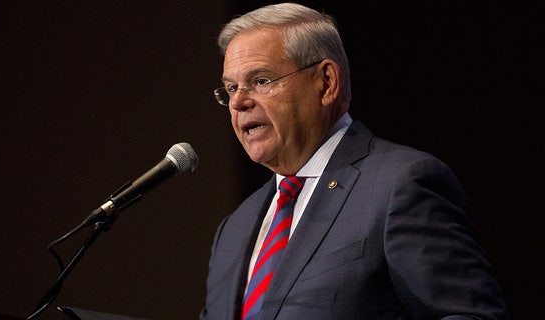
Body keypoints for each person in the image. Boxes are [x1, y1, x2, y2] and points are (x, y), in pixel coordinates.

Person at [200, 3, 508, 320]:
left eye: (261, 80)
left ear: (327, 82)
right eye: (231, 88)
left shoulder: (400, 185)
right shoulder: (233, 229)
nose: (239, 102)